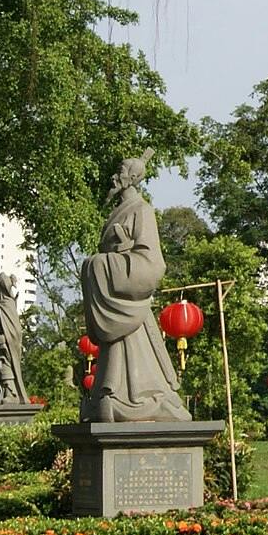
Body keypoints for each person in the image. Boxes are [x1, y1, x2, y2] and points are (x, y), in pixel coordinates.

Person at [80, 156, 190, 422]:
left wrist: (107, 263)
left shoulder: (142, 210)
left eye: (120, 172)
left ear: (133, 177)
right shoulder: (120, 210)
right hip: (115, 292)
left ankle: (141, 398)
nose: (114, 178)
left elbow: (152, 262)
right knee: (116, 358)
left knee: (136, 357)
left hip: (128, 299)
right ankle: (113, 395)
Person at [0, 271, 28, 405]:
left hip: (6, 345)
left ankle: (11, 392)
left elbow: (15, 330)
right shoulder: (0, 305)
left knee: (5, 364)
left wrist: (5, 339)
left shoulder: (8, 305)